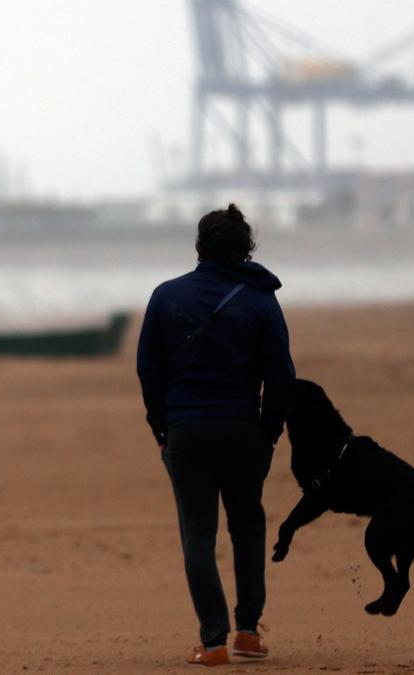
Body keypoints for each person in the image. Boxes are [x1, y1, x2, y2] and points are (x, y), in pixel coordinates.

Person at [136, 204, 294, 667]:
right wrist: (269, 432)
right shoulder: (262, 300)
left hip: (187, 431)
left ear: (200, 248)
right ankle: (247, 631)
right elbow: (281, 376)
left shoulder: (167, 297)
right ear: (245, 250)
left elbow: (149, 369)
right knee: (247, 526)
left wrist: (160, 427)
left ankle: (213, 642)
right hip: (244, 430)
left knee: (198, 536)